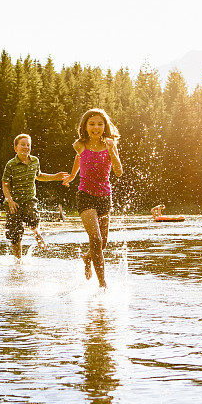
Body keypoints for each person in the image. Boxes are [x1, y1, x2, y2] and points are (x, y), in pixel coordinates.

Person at [63, 109, 123, 287]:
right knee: (95, 240)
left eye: (99, 123)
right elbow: (78, 158)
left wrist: (112, 149)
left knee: (102, 244)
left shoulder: (111, 144)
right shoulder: (79, 144)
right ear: (85, 127)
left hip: (105, 197)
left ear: (105, 126)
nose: (96, 127)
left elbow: (119, 172)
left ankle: (87, 257)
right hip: (85, 196)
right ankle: (102, 285)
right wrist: (73, 176)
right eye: (91, 124)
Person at [2, 134, 68, 261]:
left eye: (28, 145)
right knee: (15, 234)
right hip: (13, 202)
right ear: (16, 148)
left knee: (32, 215)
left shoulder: (35, 161)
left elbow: (39, 176)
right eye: (23, 144)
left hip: (29, 198)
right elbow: (5, 185)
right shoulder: (10, 164)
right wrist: (10, 201)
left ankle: (37, 234)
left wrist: (55, 176)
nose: (26, 147)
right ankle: (18, 261)